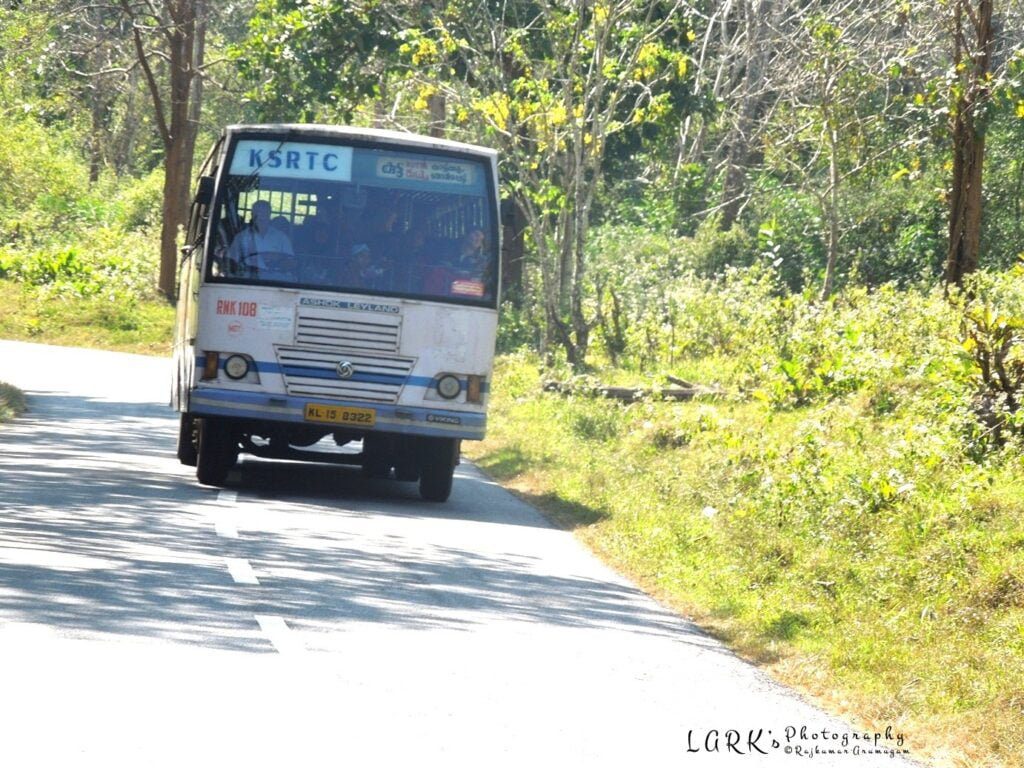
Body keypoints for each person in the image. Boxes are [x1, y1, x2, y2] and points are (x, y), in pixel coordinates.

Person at [227, 200, 294, 278]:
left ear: (269, 215)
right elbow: (231, 263)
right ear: (252, 215)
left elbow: (291, 263)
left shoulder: (281, 237)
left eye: (264, 213)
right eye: (257, 213)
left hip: (276, 281)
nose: (261, 216)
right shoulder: (241, 238)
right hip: (246, 280)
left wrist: (277, 261)